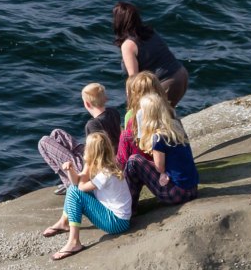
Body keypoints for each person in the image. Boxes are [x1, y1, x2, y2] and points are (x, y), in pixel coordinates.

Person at [41, 132, 132, 260]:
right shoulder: (104, 165)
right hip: (115, 215)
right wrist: (70, 170)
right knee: (73, 189)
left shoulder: (106, 172)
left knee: (74, 192)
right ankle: (64, 222)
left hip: (117, 222)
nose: (84, 149)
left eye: (87, 147)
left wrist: (86, 166)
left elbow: (81, 187)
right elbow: (76, 182)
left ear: (93, 153)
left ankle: (74, 242)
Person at [39, 83, 124, 195]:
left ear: (87, 104)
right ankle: (70, 179)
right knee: (57, 134)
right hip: (111, 158)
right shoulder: (113, 112)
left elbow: (95, 154)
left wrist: (84, 172)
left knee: (43, 142)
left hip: (96, 166)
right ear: (106, 98)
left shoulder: (93, 125)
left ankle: (70, 183)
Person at [123, 93, 199, 205]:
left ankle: (129, 207)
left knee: (133, 161)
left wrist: (162, 173)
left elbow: (159, 168)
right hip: (192, 189)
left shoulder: (158, 137)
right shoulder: (176, 127)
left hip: (176, 193)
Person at [112, 1, 189, 107]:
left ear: (118, 22)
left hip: (167, 83)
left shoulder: (128, 45)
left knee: (153, 120)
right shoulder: (150, 32)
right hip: (181, 75)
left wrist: (132, 107)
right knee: (169, 115)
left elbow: (134, 80)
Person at [116, 72, 167, 171]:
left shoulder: (132, 116)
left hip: (145, 163)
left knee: (125, 135)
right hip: (165, 159)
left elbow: (136, 145)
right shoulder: (167, 111)